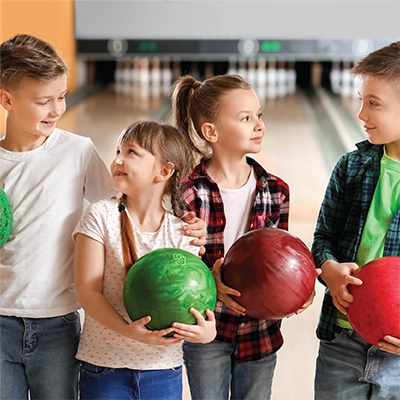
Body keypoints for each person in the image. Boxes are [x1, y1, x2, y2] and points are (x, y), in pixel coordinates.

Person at [0, 34, 206, 400]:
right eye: (43, 101)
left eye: (62, 97)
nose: (56, 109)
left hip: (58, 320)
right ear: (6, 100)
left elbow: (124, 208)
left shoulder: (77, 152)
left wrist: (183, 223)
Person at [172, 74, 318, 400]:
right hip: (208, 327)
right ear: (211, 131)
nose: (259, 125)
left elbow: (283, 258)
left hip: (260, 331)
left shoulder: (277, 190)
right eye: (245, 118)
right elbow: (176, 263)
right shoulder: (186, 192)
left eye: (259, 115)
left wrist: (301, 286)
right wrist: (210, 280)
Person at [73, 120, 216, 400]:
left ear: (164, 171)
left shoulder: (183, 233)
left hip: (163, 370)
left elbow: (193, 299)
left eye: (131, 152)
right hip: (104, 367)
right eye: (118, 150)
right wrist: (129, 332)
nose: (117, 159)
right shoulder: (100, 216)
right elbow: (87, 292)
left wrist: (206, 332)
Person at [311, 41, 400, 400]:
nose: (361, 114)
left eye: (373, 104)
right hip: (341, 340)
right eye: (361, 100)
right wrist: (328, 269)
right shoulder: (350, 167)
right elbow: (322, 239)